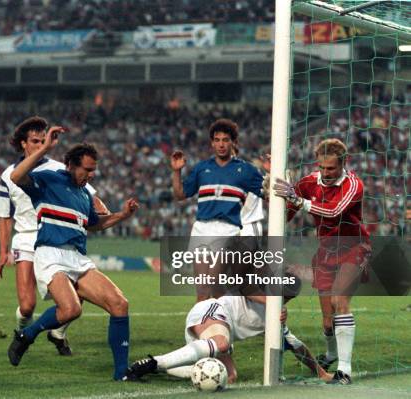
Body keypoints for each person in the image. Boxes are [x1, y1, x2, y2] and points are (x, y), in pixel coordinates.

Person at [6, 126, 139, 381]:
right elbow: (16, 176)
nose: (90, 175)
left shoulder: (84, 195)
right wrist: (45, 148)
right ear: (70, 165)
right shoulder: (48, 180)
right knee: (70, 310)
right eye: (86, 170)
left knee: (120, 304)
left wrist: (122, 215)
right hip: (50, 254)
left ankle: (121, 373)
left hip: (78, 257)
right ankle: (28, 335)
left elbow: (94, 224)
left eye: (93, 171)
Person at [0, 116, 109, 356]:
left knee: (79, 290)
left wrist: (100, 206)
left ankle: (59, 332)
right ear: (23, 144)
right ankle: (21, 335)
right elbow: (4, 215)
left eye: (42, 140)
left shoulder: (59, 167)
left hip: (57, 236)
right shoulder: (9, 175)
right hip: (27, 239)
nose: (40, 144)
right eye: (35, 141)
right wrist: (3, 251)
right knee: (27, 306)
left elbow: (87, 190)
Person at [273, 138, 370, 385]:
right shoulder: (308, 181)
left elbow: (335, 211)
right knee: (327, 321)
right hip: (326, 252)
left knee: (339, 300)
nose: (326, 173)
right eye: (322, 168)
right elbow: (290, 207)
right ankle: (331, 354)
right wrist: (276, 213)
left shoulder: (354, 184)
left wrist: (299, 201)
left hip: (353, 246)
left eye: (331, 169)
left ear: (343, 164)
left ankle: (345, 371)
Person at [124, 292, 332, 384]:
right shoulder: (261, 290)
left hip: (219, 332)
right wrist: (272, 301)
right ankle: (153, 362)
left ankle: (162, 368)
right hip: (211, 312)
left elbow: (296, 346)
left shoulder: (276, 316)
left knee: (227, 377)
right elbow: (246, 289)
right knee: (222, 343)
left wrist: (321, 373)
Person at [171, 119, 264, 300]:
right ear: (212, 142)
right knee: (202, 289)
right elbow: (180, 194)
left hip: (228, 230)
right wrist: (176, 171)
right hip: (202, 229)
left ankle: (223, 320)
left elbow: (267, 194)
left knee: (215, 281)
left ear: (234, 143)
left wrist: (273, 172)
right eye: (217, 140)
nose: (221, 144)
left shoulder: (246, 170)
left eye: (226, 140)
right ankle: (202, 326)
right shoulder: (201, 168)